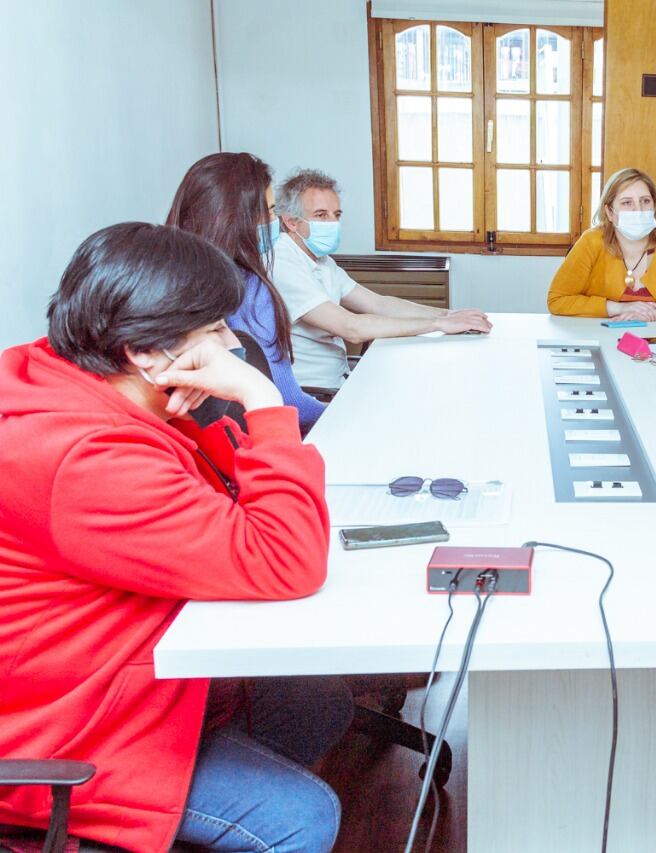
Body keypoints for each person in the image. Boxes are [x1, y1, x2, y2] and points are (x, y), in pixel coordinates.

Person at [0, 223, 352, 852]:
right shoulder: (84, 458)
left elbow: (220, 497)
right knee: (301, 817)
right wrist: (262, 400)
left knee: (316, 700)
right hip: (69, 727)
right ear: (144, 350)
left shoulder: (81, 381)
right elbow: (284, 560)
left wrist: (213, 412)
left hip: (118, 666)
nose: (230, 345)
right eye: (215, 329)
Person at [272, 168, 492, 391]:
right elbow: (351, 328)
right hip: (313, 391)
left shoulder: (321, 260)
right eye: (321, 215)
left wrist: (448, 314)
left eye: (336, 215)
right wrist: (438, 324)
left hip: (339, 377)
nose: (332, 223)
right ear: (291, 222)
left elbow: (378, 303)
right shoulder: (282, 261)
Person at [166, 151, 327, 431]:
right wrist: (345, 415)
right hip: (257, 439)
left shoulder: (162, 277)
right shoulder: (250, 288)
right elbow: (287, 403)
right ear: (236, 218)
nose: (274, 220)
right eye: (270, 210)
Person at [547, 167, 656, 321]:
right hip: (602, 336)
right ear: (610, 212)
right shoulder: (591, 242)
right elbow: (557, 300)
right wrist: (618, 308)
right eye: (627, 203)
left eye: (645, 201)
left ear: (654, 206)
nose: (638, 210)